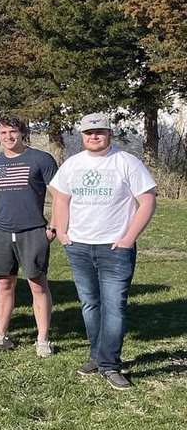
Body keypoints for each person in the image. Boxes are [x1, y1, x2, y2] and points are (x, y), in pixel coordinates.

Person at [49, 113, 157, 391]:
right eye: (88, 133)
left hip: (115, 248)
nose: (93, 136)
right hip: (79, 246)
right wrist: (62, 232)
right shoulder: (73, 164)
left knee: (114, 306)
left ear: (109, 133)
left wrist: (128, 238)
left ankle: (110, 364)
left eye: (99, 132)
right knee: (90, 304)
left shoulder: (126, 162)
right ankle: (96, 355)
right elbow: (61, 197)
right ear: (82, 135)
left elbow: (146, 200)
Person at [0, 115, 59, 357]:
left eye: (12, 132)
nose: (8, 137)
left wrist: (53, 227)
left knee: (37, 283)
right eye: (3, 133)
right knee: (4, 283)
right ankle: (0, 336)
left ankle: (42, 339)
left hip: (33, 230)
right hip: (1, 230)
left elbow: (60, 195)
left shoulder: (41, 159)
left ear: (22, 132)